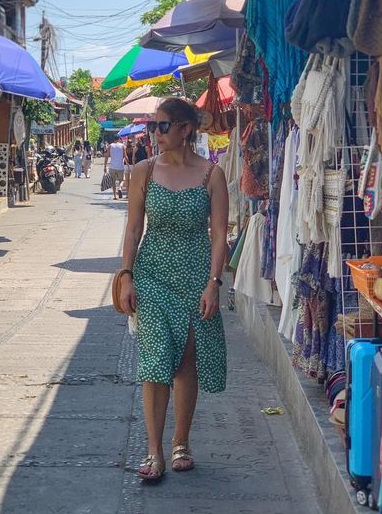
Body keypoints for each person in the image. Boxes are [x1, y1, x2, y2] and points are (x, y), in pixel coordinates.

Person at [120, 97, 229, 481]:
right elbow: (134, 228)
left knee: (185, 361)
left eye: (163, 126)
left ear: (186, 129)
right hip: (152, 275)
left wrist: (214, 284)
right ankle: (153, 450)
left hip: (196, 277)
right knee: (154, 360)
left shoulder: (211, 175)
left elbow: (219, 236)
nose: (156, 133)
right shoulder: (142, 171)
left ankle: (180, 441)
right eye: (154, 126)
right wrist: (126, 275)